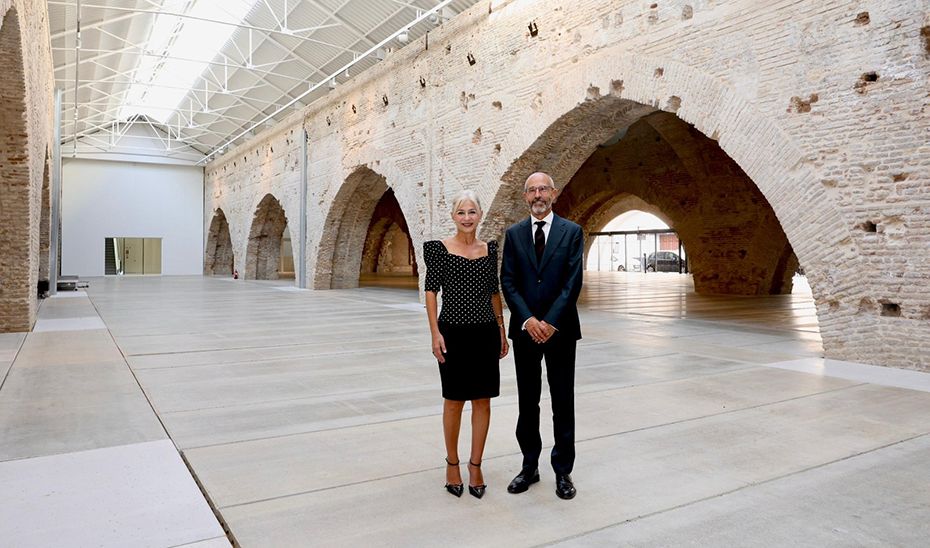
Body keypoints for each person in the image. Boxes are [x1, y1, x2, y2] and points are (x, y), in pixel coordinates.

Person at [500, 172, 584, 500]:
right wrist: (529, 320)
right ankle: (529, 466)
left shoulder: (572, 232)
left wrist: (549, 321)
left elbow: (572, 281)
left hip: (560, 331)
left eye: (543, 189)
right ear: (525, 197)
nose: (538, 195)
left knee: (563, 402)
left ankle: (563, 472)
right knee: (528, 402)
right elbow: (509, 281)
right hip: (525, 333)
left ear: (554, 193)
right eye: (532, 190)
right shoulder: (515, 234)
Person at [424, 190, 509, 499]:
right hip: (453, 334)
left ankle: (476, 465)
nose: (467, 218)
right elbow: (431, 292)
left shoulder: (489, 249)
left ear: (480, 215)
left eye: (472, 212)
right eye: (461, 212)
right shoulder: (439, 249)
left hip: (485, 332)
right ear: (453, 216)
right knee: (454, 400)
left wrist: (501, 330)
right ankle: (452, 463)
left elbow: (494, 291)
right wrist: (434, 332)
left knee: (483, 400)